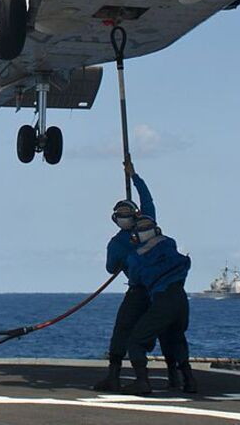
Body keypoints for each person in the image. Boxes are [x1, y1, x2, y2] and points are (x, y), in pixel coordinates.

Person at [91, 159, 154, 393]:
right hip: (164, 290)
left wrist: (134, 176)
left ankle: (117, 376)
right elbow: (148, 199)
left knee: (123, 330)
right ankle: (181, 377)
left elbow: (110, 269)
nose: (124, 217)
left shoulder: (116, 243)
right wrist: (135, 176)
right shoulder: (149, 223)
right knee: (169, 332)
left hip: (140, 291)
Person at [124, 213, 196, 396]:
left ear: (135, 235)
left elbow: (135, 281)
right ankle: (187, 380)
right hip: (181, 299)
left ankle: (142, 382)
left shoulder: (136, 257)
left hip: (162, 299)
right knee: (175, 337)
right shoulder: (169, 244)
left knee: (136, 340)